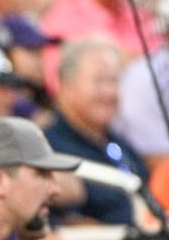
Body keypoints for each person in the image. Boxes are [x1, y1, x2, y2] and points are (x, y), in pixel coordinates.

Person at [45, 38, 150, 225]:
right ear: (65, 86)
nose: (109, 92)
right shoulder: (48, 148)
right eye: (99, 81)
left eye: (114, 80)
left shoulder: (118, 142)